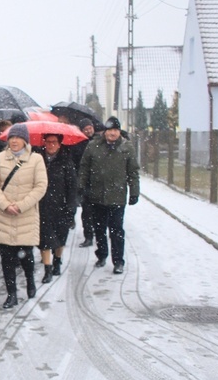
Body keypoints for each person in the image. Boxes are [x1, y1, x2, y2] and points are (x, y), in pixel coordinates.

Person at [0, 123, 48, 309]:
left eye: (18, 137)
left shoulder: (36, 159)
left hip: (26, 216)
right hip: (4, 215)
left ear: (25, 140)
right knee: (6, 258)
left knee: (26, 255)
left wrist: (21, 206)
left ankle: (30, 279)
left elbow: (40, 186)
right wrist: (5, 204)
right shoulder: (0, 158)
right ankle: (11, 294)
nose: (14, 141)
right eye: (11, 138)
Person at [78, 116, 140, 274]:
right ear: (105, 131)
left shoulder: (127, 147)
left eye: (115, 130)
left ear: (119, 131)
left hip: (117, 197)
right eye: (110, 130)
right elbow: (84, 168)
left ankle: (118, 261)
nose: (112, 133)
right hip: (97, 195)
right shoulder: (94, 146)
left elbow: (133, 172)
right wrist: (81, 187)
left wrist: (134, 192)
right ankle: (102, 255)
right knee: (99, 229)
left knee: (117, 230)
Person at [36, 134, 78, 283]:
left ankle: (57, 260)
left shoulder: (66, 162)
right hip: (42, 206)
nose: (51, 145)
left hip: (61, 205)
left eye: (54, 142)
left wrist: (71, 206)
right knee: (45, 238)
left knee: (60, 237)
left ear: (60, 144)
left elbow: (72, 187)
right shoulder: (37, 159)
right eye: (48, 142)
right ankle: (47, 269)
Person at [71, 118, 97, 247]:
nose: (88, 131)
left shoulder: (99, 142)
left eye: (90, 128)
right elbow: (75, 163)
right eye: (85, 129)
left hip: (98, 182)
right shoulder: (78, 144)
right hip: (84, 182)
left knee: (98, 211)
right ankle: (88, 236)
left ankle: (98, 233)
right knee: (86, 211)